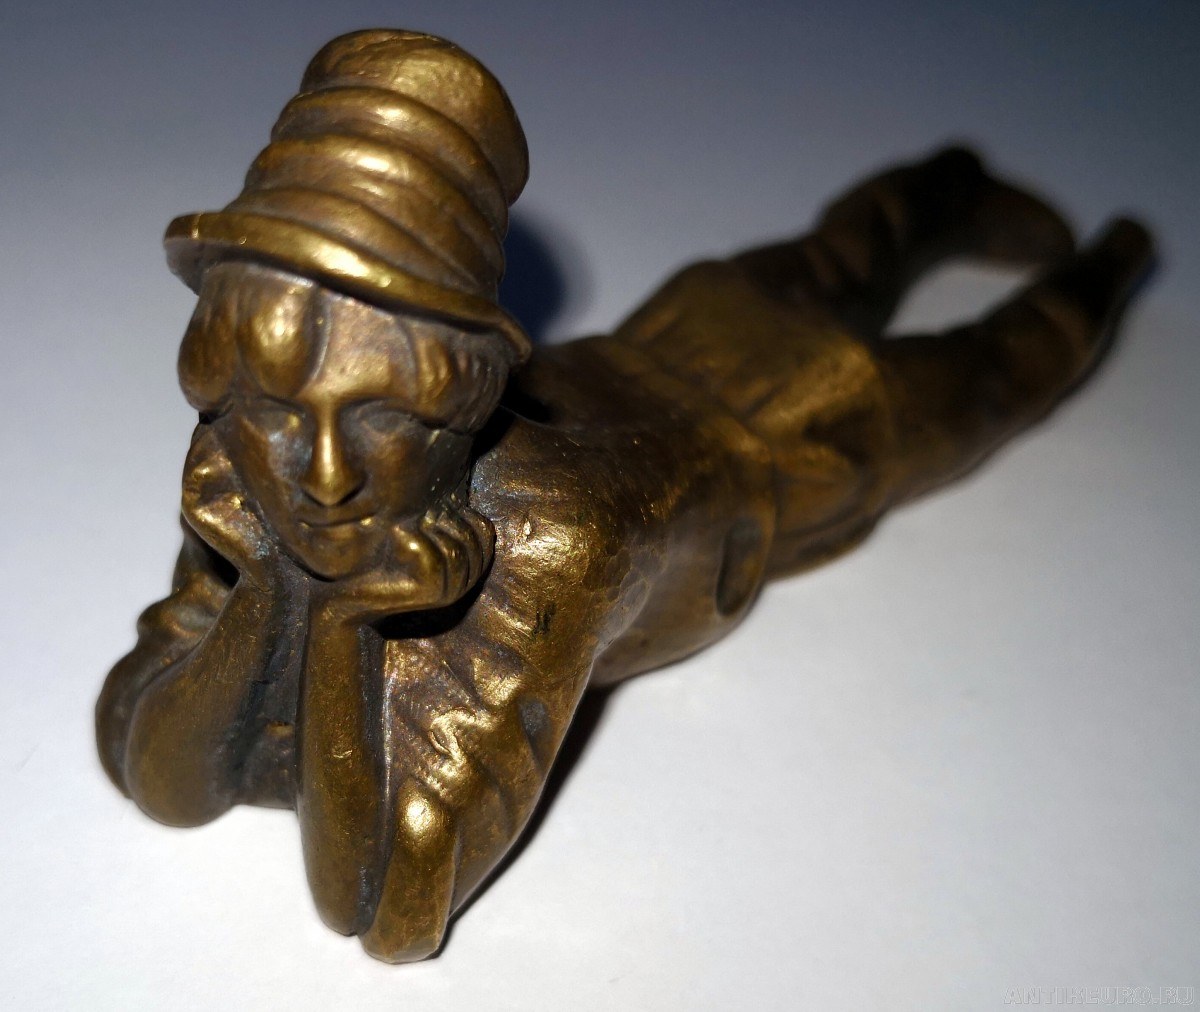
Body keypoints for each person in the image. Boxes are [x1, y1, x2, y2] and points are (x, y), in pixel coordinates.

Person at [96, 29, 1152, 962]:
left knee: (976, 360)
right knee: (844, 254)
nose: (324, 478)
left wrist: (337, 621)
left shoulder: (555, 541)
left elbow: (386, 909)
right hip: (654, 349)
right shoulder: (244, 478)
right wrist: (290, 596)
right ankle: (968, 186)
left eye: (384, 419)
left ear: (462, 405)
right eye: (278, 414)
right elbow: (153, 771)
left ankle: (1107, 256)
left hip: (786, 434)